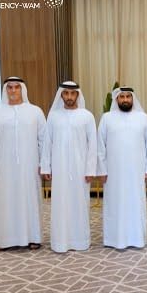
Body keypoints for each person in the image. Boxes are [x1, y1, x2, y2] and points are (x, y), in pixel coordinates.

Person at [0, 76, 46, 250]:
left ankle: (33, 237)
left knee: (30, 199)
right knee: (5, 200)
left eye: (16, 87)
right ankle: (5, 239)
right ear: (5, 90)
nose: (13, 91)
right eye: (9, 87)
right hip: (4, 165)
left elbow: (43, 139)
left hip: (30, 164)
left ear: (22, 89)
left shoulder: (35, 111)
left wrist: (44, 163)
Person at [41, 81, 97, 253]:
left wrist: (90, 169)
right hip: (60, 168)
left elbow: (93, 144)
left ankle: (80, 241)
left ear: (77, 95)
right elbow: (47, 142)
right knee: (60, 204)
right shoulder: (53, 116)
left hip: (81, 169)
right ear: (61, 95)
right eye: (66, 93)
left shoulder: (87, 116)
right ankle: (60, 241)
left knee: (80, 203)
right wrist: (46, 167)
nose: (69, 97)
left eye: (73, 93)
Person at [97, 87, 147, 249]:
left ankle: (137, 238)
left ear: (132, 98)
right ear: (116, 99)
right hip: (113, 173)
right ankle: (114, 239)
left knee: (136, 204)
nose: (125, 100)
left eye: (128, 96)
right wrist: (101, 170)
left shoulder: (143, 118)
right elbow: (100, 146)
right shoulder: (107, 118)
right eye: (121, 97)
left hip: (137, 172)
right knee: (114, 204)